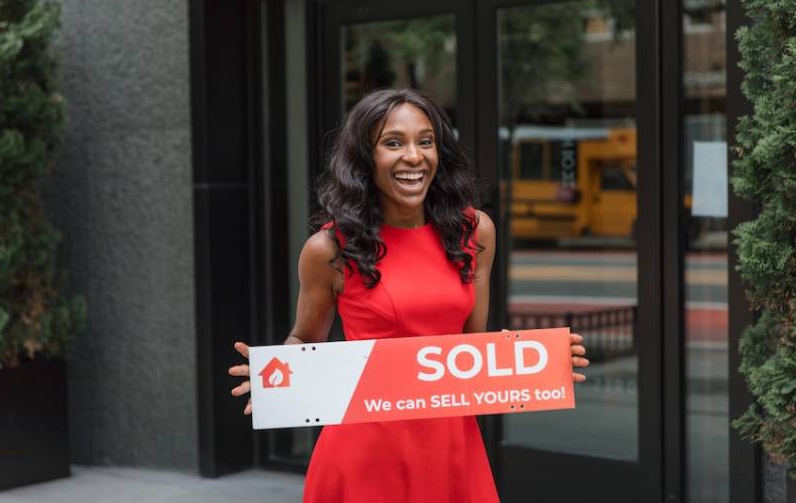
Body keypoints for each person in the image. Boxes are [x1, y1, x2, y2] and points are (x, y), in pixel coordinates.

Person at [228, 88, 589, 502]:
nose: (414, 157)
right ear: (365, 158)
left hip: (452, 443)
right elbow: (305, 340)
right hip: (366, 451)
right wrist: (273, 378)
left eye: (426, 141)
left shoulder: (475, 233)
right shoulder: (328, 249)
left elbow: (471, 348)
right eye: (393, 143)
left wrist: (539, 364)